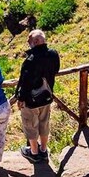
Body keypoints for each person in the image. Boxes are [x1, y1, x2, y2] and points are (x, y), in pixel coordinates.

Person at [16, 30, 61, 163]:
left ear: (35, 42)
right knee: (44, 123)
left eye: (29, 41)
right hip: (46, 96)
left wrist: (20, 98)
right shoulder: (53, 54)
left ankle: (34, 153)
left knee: (30, 125)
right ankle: (43, 150)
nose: (28, 44)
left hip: (31, 100)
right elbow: (56, 70)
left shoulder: (31, 60)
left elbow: (25, 82)